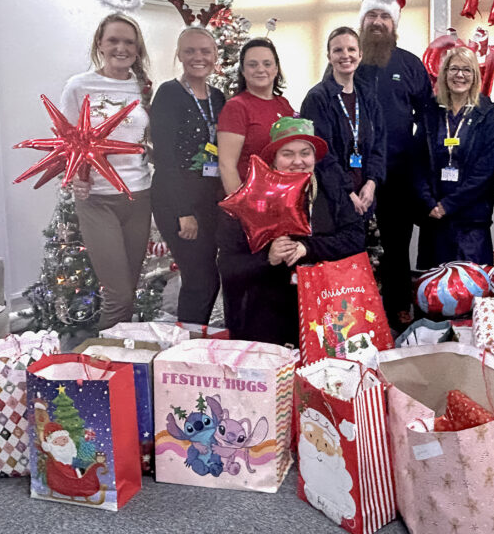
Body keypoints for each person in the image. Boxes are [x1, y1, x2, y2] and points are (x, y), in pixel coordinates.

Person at [217, 118, 365, 345]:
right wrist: (268, 258)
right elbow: (229, 267)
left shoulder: (332, 192)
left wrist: (308, 247)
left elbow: (355, 238)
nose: (298, 161)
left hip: (327, 305)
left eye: (305, 153)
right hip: (268, 313)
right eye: (288, 154)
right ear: (274, 159)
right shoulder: (251, 199)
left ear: (314, 157)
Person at [62, 13, 152, 330]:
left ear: (137, 48)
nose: (121, 48)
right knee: (118, 295)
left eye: (129, 42)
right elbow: (65, 141)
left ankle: (122, 364)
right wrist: (76, 177)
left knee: (130, 290)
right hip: (98, 200)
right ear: (100, 43)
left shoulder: (144, 88)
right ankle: (104, 370)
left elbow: (151, 140)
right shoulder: (79, 85)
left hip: (139, 198)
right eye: (113, 40)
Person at [354, 0, 433, 328]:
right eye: (371, 15)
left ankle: (399, 310)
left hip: (397, 175)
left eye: (384, 16)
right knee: (352, 246)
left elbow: (428, 120)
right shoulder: (347, 59)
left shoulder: (410, 64)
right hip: (353, 176)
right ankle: (354, 311)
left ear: (394, 23)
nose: (377, 22)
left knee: (397, 248)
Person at [150, 27, 225, 325]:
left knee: (207, 278)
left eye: (205, 51)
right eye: (191, 51)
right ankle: (188, 344)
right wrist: (184, 213)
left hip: (210, 203)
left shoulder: (218, 97)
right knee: (200, 280)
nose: (198, 57)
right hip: (177, 203)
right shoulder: (169, 94)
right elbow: (165, 158)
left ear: (215, 56)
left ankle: (195, 338)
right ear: (180, 55)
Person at [414, 47, 494, 268]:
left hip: (471, 220)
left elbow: (485, 170)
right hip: (434, 219)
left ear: (475, 76)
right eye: (453, 69)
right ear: (444, 74)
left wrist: (449, 205)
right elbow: (417, 162)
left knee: (470, 290)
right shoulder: (431, 110)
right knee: (434, 292)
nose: (459, 75)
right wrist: (429, 203)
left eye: (466, 70)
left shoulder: (486, 114)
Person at [300, 26, 386, 219]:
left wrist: (371, 183)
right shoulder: (317, 99)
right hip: (331, 201)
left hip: (365, 198)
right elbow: (321, 153)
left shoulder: (368, 97)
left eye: (351, 49)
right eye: (338, 50)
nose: (345, 55)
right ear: (329, 56)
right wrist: (347, 192)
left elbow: (379, 147)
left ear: (360, 54)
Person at [217, 37, 295, 196]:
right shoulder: (236, 107)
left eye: (267, 64)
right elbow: (227, 166)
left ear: (276, 69)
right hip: (251, 202)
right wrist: (243, 208)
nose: (260, 69)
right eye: (252, 65)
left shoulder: (283, 104)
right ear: (243, 71)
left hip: (281, 199)